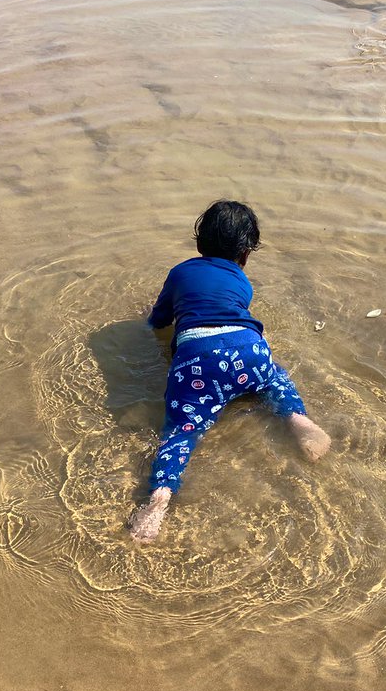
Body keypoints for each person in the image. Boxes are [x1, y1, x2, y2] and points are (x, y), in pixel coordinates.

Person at [128, 199, 331, 543]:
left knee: (181, 430)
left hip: (197, 360)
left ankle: (159, 500)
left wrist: (152, 323)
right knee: (272, 378)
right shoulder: (242, 281)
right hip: (249, 348)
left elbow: (159, 321)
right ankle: (298, 420)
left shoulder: (180, 272)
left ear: (198, 243)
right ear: (246, 255)